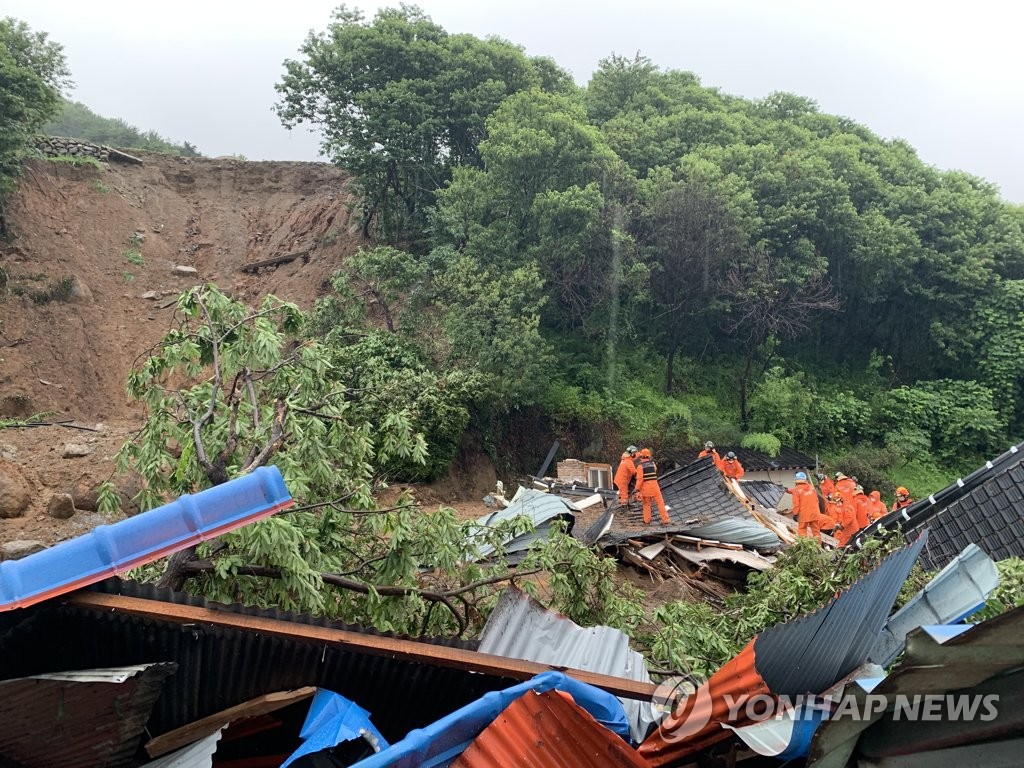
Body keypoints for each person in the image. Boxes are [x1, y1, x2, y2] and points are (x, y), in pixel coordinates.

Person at [635, 448, 671, 525]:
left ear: (641, 457)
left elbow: (640, 479)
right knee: (660, 503)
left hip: (646, 489)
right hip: (655, 487)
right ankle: (665, 520)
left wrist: (637, 489)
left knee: (646, 504)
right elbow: (654, 471)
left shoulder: (640, 467)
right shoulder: (653, 464)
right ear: (649, 456)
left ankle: (647, 520)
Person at [787, 471, 821, 540]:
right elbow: (817, 500)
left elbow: (796, 504)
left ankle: (804, 547)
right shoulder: (812, 488)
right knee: (816, 531)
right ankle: (818, 546)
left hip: (804, 514)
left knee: (802, 530)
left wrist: (795, 514)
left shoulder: (796, 490)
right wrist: (787, 490)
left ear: (796, 480)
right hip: (815, 513)